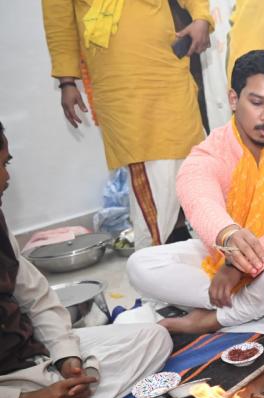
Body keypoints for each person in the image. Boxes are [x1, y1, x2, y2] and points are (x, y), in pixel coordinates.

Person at [0, 121, 172, 398]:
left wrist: (71, 363)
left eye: (6, 163)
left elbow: (38, 298)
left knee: (154, 338)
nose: (6, 178)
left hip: (33, 363)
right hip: (9, 393)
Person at [127, 51, 264, 334]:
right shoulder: (214, 148)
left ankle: (215, 318)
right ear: (234, 99)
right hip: (221, 254)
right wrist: (229, 238)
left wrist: (239, 268)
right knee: (141, 265)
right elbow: (198, 195)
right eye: (257, 103)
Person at [42, 0, 213, 249]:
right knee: (153, 175)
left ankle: (179, 245)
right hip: (120, 85)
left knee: (190, 161)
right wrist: (67, 82)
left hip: (166, 68)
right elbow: (59, 24)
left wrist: (201, 17)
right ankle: (152, 262)